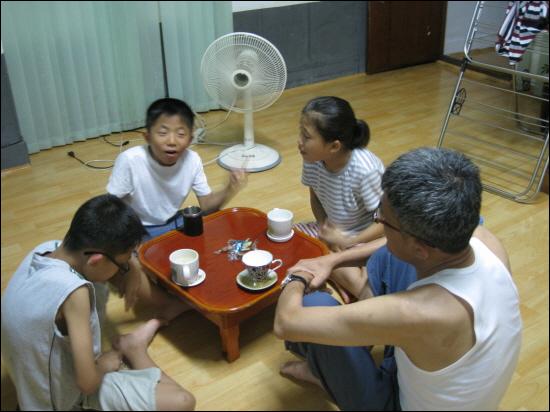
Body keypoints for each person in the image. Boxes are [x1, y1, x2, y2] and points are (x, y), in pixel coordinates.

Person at [274, 148, 522, 410]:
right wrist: (331, 260)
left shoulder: (419, 313)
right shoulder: (485, 241)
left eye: (383, 221)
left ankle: (327, 374)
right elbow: (394, 245)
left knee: (314, 305)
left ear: (419, 248)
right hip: (439, 364)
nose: (379, 223)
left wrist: (299, 275)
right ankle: (331, 370)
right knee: (392, 254)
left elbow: (286, 322)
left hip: (401, 401)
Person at [1, 194, 195, 411]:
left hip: (34, 381)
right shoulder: (74, 294)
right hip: (61, 402)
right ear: (97, 259)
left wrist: (131, 267)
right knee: (183, 402)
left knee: (106, 274)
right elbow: (87, 383)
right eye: (121, 264)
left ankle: (135, 344)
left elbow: (102, 261)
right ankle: (134, 349)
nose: (123, 268)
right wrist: (103, 365)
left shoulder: (46, 249)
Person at [107, 97, 247, 241]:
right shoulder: (130, 160)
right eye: (163, 133)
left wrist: (230, 188)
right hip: (139, 229)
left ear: (190, 140)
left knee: (219, 228)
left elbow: (207, 206)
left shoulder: (192, 160)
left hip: (175, 221)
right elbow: (111, 208)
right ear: (147, 137)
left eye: (180, 134)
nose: (172, 141)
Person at [295, 96, 385, 299]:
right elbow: (316, 196)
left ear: (334, 146)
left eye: (307, 136)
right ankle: (334, 272)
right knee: (285, 239)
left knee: (364, 285)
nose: (299, 141)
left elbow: (385, 223)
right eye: (301, 132)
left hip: (362, 237)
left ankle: (336, 273)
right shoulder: (312, 157)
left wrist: (347, 241)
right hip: (331, 232)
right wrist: (324, 228)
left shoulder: (365, 170)